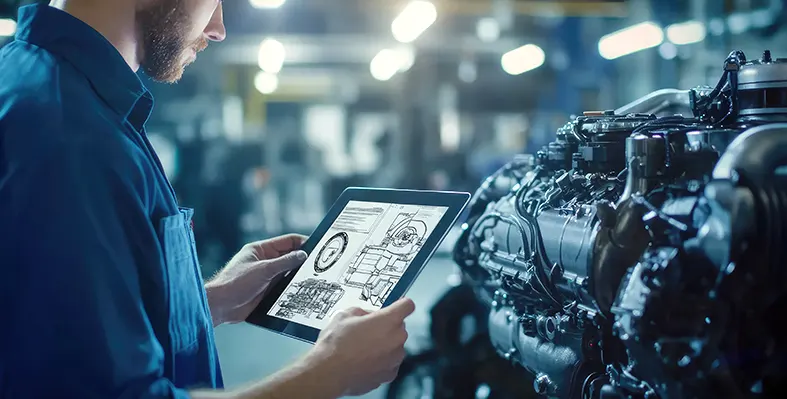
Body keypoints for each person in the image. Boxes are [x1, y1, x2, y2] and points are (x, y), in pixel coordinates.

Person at [0, 1, 415, 398]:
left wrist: (211, 301)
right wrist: (330, 371)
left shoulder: (61, 93)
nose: (218, 28)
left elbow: (87, 327)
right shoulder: (69, 136)